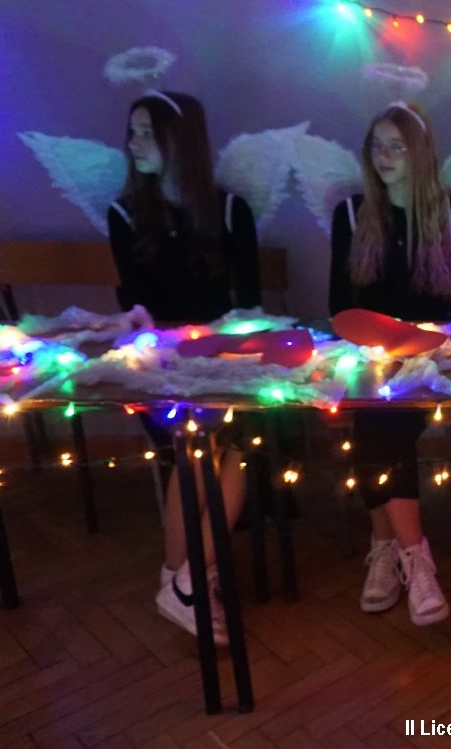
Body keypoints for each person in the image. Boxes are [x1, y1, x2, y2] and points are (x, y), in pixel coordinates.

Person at [107, 90, 258, 645]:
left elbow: (250, 308)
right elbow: (137, 308)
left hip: (225, 361)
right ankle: (187, 580)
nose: (135, 143)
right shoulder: (125, 215)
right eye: (133, 132)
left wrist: (225, 353)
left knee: (237, 449)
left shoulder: (229, 210)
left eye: (148, 133)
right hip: (159, 369)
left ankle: (183, 579)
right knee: (196, 440)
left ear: (182, 141)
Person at [330, 102, 451, 626]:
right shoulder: (351, 214)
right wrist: (377, 346)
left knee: (379, 428)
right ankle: (412, 559)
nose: (385, 156)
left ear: (420, 153)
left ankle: (390, 549)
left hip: (432, 360)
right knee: (377, 420)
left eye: (397, 146)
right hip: (369, 359)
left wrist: (432, 342)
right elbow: (338, 307)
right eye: (377, 146)